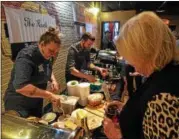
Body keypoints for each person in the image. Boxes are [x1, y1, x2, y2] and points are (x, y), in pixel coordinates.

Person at [103, 12, 179, 139]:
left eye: (129, 55)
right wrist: (129, 109)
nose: (129, 62)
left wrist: (117, 136)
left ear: (144, 52)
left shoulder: (163, 98)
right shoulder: (164, 72)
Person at [4, 27, 62, 118]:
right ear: (42, 44)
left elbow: (47, 68)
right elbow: (21, 87)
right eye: (51, 51)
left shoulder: (46, 54)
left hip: (36, 101)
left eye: (56, 52)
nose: (53, 55)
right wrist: (50, 95)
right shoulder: (26, 56)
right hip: (19, 105)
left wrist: (53, 80)